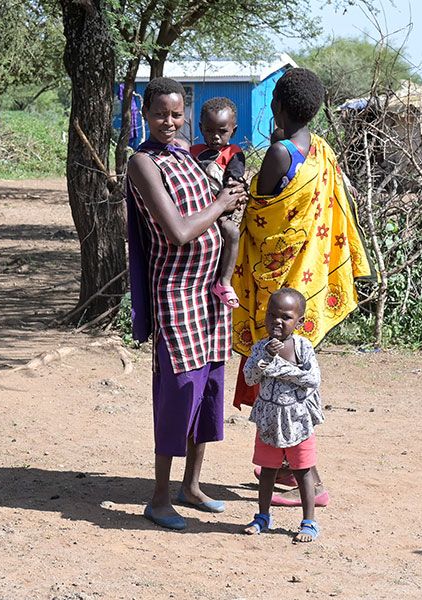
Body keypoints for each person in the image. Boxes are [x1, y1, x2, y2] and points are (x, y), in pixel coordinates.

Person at [231, 68, 371, 508]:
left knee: (280, 385)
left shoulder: (278, 153)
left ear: (277, 105)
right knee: (290, 381)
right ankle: (287, 467)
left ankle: (303, 477)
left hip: (276, 289)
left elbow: (259, 214)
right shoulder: (321, 149)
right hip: (305, 286)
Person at [124, 77, 246, 530]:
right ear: (146, 115)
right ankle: (158, 498)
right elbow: (176, 230)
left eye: (176, 115)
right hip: (176, 292)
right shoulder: (143, 162)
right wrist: (222, 205)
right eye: (160, 114)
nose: (169, 122)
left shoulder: (186, 156)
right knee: (178, 395)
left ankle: (191, 485)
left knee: (208, 391)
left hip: (212, 294)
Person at [241, 288, 324, 543]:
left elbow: (312, 379)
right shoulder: (260, 348)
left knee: (302, 471)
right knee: (267, 470)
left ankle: (309, 522)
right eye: (272, 315)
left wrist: (279, 368)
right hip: (269, 420)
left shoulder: (303, 347)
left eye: (286, 317)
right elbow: (249, 377)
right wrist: (265, 357)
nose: (277, 321)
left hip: (297, 420)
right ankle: (262, 516)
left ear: (299, 322)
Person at [190, 97, 246, 309]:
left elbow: (233, 182)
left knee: (232, 232)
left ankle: (224, 281)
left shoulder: (234, 154)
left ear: (233, 130)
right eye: (209, 130)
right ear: (200, 128)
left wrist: (233, 192)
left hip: (221, 212)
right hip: (195, 210)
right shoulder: (192, 152)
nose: (215, 136)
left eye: (222, 131)